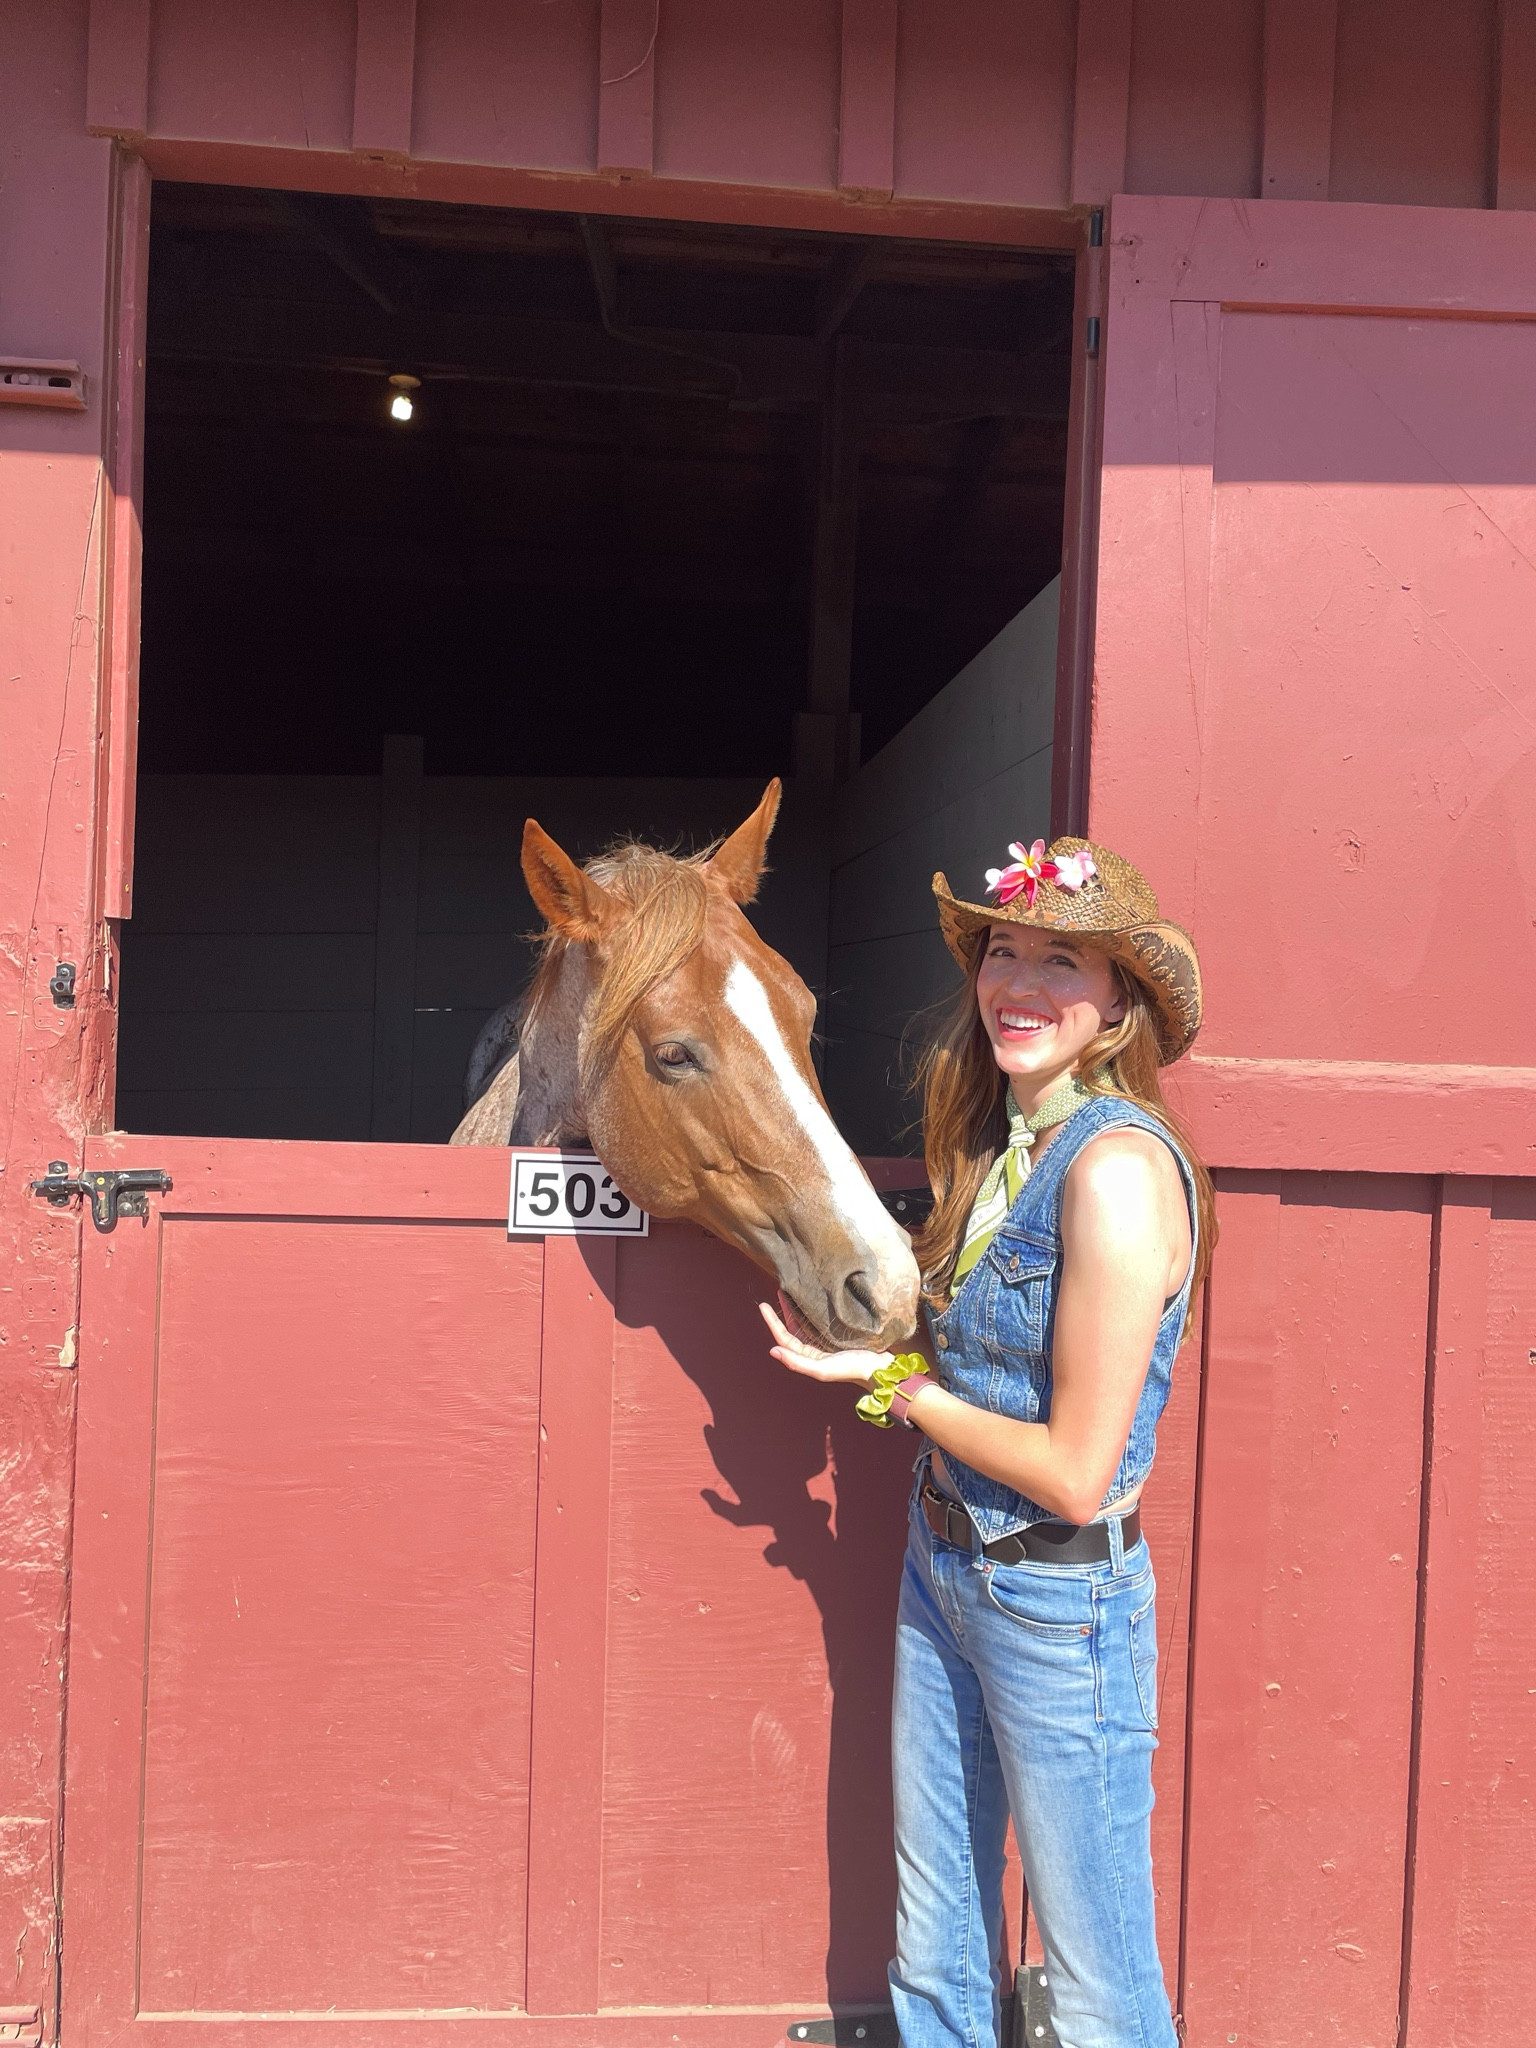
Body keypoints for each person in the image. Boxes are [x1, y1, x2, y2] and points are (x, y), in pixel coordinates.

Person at [761, 836, 1215, 2048]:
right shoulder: (1001, 1145)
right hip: (947, 1561)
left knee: (1100, 1986)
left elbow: (1073, 1468)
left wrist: (899, 1390)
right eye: (1003, 950)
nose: (1018, 982)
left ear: (1118, 1002)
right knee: (937, 1946)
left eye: (1062, 960)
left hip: (1058, 1605)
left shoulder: (1114, 1172)